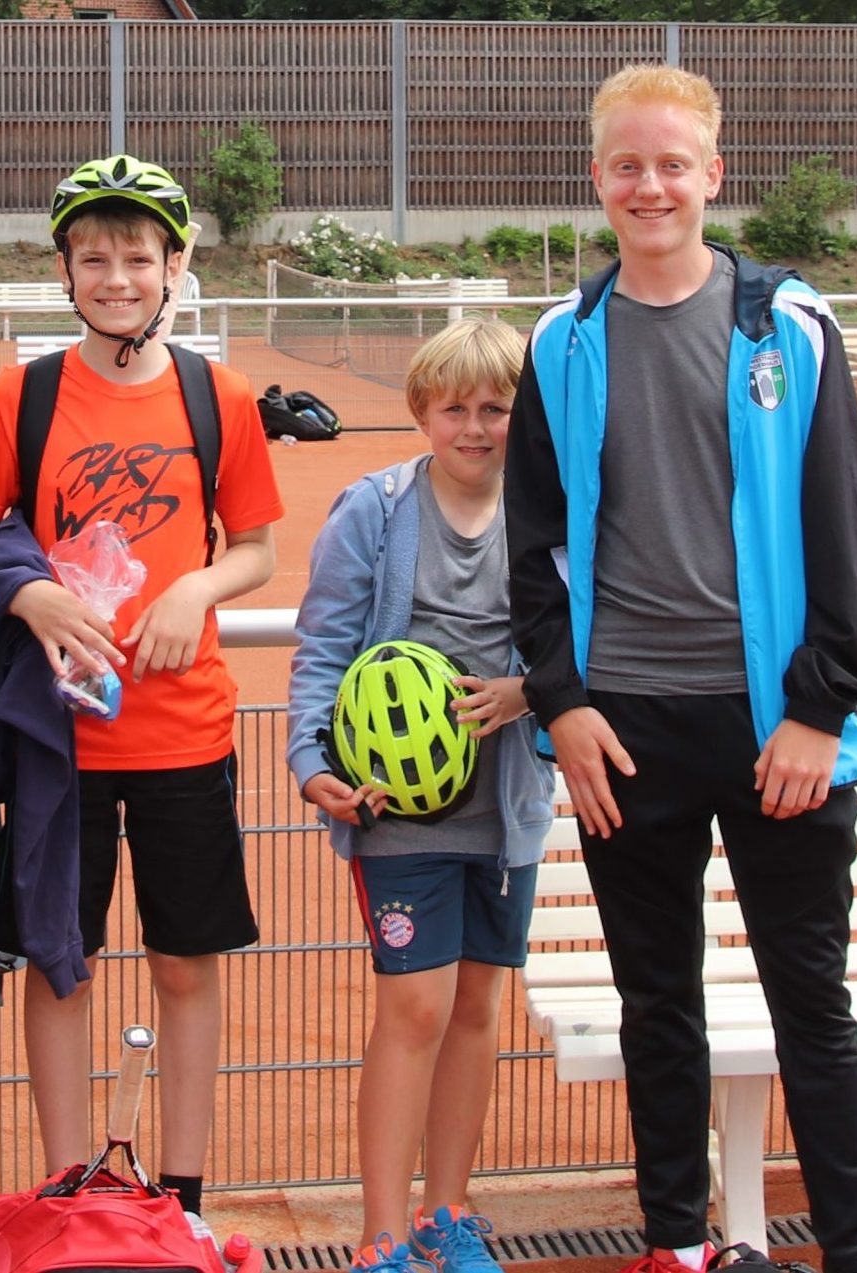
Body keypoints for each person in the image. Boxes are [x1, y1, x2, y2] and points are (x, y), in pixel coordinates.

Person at [506, 65, 857, 1273]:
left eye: (671, 164)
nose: (649, 185)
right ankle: (674, 1245)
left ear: (711, 176)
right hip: (623, 729)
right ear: (596, 180)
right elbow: (532, 546)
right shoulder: (560, 342)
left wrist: (819, 707)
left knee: (807, 1008)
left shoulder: (788, 328)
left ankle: (855, 1254)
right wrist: (562, 705)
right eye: (626, 165)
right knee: (655, 1004)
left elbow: (847, 531)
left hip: (776, 727)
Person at [0, 153, 284, 1216]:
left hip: (185, 729)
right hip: (62, 742)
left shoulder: (215, 396)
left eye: (138, 257)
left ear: (173, 268)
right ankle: (64, 1188)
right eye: (93, 258)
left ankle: (182, 1194)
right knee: (63, 962)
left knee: (184, 963)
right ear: (64, 271)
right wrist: (35, 597)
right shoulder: (23, 395)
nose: (117, 277)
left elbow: (257, 549)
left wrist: (194, 588)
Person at [288, 317, 552, 1273]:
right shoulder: (376, 508)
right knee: (413, 1011)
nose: (474, 427)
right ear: (420, 412)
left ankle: (447, 1212)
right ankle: (382, 1233)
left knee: (477, 1008)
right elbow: (323, 643)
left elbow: (585, 638)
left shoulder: (548, 512)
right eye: (454, 409)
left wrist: (529, 690)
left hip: (506, 804)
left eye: (496, 408)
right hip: (394, 810)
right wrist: (311, 760)